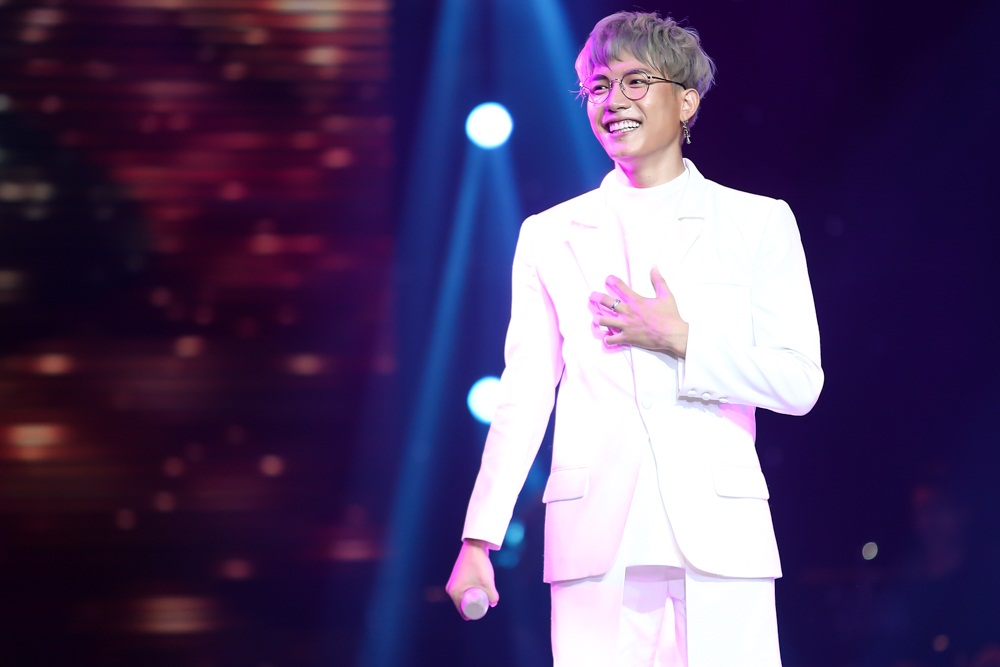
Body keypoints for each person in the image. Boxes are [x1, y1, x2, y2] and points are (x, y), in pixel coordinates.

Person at [445, 10, 823, 666]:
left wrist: (681, 338)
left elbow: (799, 382)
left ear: (686, 101)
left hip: (720, 534)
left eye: (634, 81)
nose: (612, 100)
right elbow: (524, 394)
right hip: (594, 539)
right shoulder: (549, 235)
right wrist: (479, 537)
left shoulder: (757, 223)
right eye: (597, 86)